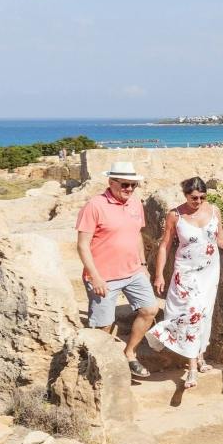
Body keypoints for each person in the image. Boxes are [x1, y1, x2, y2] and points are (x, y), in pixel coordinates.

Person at [147, 176, 223, 385]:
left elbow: (220, 240)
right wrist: (159, 274)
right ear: (185, 195)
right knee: (193, 313)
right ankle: (191, 369)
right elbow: (164, 245)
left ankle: (200, 356)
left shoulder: (214, 211)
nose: (198, 201)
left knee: (204, 314)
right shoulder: (175, 215)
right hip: (185, 272)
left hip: (209, 271)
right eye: (193, 198)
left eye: (202, 197)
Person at [75, 161, 159, 379]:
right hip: (104, 276)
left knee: (150, 309)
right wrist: (95, 277)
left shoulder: (135, 204)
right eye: (125, 185)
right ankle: (98, 369)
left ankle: (129, 353)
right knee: (103, 326)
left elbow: (136, 235)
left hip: (133, 272)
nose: (129, 189)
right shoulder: (94, 205)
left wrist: (142, 265)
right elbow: (83, 245)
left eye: (133, 185)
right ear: (111, 182)